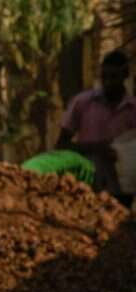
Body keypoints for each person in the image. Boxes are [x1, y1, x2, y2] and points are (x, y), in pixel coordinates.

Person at [58, 50, 136, 200]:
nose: (108, 82)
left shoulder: (133, 109)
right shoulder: (82, 103)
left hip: (123, 191)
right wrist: (97, 148)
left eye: (114, 77)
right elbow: (61, 145)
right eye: (104, 77)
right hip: (87, 189)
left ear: (125, 75)